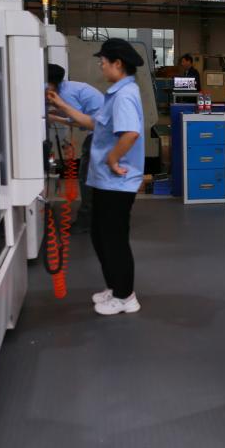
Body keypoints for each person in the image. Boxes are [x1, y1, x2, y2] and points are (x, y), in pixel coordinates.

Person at [47, 39, 145, 316]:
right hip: (105, 179)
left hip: (117, 181)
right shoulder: (116, 93)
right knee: (101, 236)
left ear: (118, 64)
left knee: (113, 239)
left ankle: (126, 296)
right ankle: (115, 287)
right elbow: (93, 123)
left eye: (103, 62)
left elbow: (130, 134)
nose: (101, 66)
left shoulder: (125, 96)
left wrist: (112, 158)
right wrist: (61, 106)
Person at [46, 63, 104, 233]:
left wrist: (53, 118)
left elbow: (79, 121)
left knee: (86, 179)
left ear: (53, 83)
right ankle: (95, 219)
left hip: (100, 135)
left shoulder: (65, 94)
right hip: (102, 133)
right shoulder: (68, 88)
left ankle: (85, 222)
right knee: (93, 179)